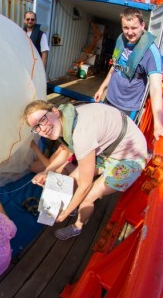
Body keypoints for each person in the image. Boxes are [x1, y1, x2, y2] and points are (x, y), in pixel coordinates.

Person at [23, 100, 148, 240]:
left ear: (54, 111)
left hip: (130, 159)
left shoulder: (82, 134)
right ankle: (73, 207)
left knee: (87, 198)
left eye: (42, 120)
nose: (43, 129)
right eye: (36, 127)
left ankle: (77, 227)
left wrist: (65, 213)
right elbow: (66, 150)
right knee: (69, 181)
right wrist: (46, 171)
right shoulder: (68, 116)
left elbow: (85, 185)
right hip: (110, 148)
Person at [94, 7, 163, 144]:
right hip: (110, 97)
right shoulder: (121, 40)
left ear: (143, 25)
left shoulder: (151, 53)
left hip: (127, 107)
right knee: (100, 132)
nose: (129, 33)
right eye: (125, 28)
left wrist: (158, 124)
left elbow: (155, 88)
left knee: (115, 142)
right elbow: (115, 66)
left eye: (134, 28)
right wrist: (102, 88)